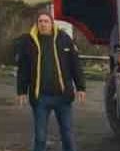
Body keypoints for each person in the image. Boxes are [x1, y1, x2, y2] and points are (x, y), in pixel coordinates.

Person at [16, 10, 85, 151]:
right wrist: (21, 91)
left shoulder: (64, 39)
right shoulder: (28, 42)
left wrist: (81, 87)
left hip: (63, 96)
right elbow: (23, 69)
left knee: (67, 135)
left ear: (51, 23)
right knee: (40, 137)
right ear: (37, 24)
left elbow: (75, 65)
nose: (43, 24)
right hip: (41, 97)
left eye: (46, 21)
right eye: (40, 21)